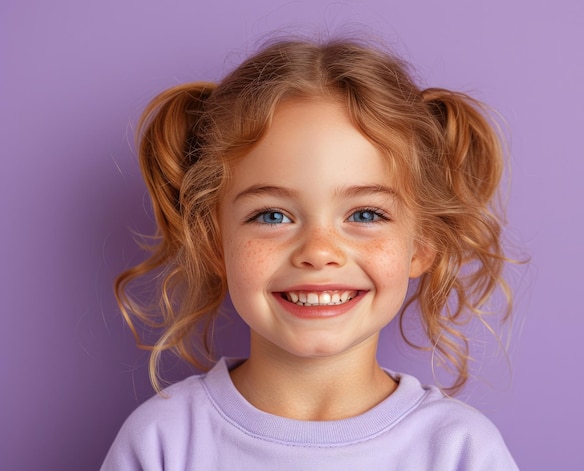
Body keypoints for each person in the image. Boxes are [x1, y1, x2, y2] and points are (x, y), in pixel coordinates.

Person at [102, 37, 518, 470]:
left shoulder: (459, 450)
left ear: (424, 242)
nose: (319, 252)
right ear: (212, 243)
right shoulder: (163, 440)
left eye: (365, 213)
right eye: (272, 216)